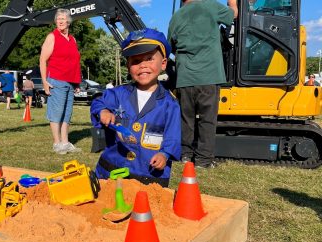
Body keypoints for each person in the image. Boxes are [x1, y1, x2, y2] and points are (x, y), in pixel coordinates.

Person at [90, 28, 181, 187]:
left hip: (148, 177)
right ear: (128, 66)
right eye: (136, 61)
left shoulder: (170, 104)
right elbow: (98, 102)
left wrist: (164, 155)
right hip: (111, 173)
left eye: (149, 58)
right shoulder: (118, 94)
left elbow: (173, 137)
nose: (143, 65)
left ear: (163, 63)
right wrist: (102, 111)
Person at [168, 0, 237, 169]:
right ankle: (203, 160)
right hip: (209, 77)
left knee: (186, 119)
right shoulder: (211, 6)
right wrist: (233, 3)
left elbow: (170, 45)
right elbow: (232, 15)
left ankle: (185, 155)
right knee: (207, 120)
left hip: (185, 78)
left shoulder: (176, 16)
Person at [39, 8, 82, 154]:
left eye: (63, 19)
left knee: (67, 113)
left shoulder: (73, 39)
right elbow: (43, 60)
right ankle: (57, 144)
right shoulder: (52, 37)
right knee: (56, 113)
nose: (61, 21)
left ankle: (65, 142)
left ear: (69, 21)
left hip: (70, 82)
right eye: (58, 19)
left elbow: (74, 62)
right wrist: (45, 81)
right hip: (56, 80)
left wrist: (76, 82)